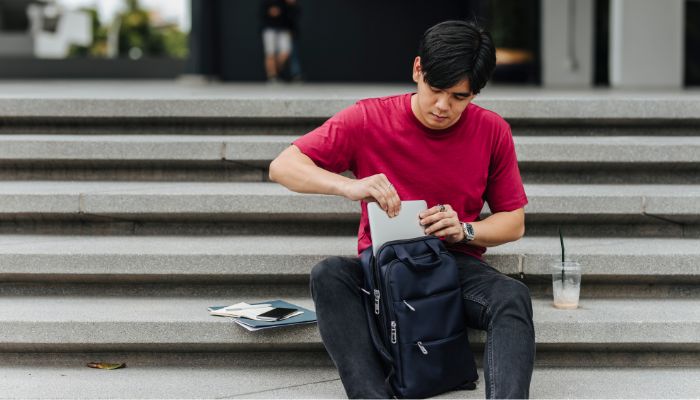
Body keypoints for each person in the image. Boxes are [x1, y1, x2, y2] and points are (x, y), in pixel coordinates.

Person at [269, 20, 535, 399]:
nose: (443, 106)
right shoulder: (367, 118)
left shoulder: (492, 131)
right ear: (417, 70)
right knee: (328, 275)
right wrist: (350, 186)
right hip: (383, 269)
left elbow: (514, 222)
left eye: (459, 97)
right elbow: (283, 166)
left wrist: (465, 229)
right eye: (436, 89)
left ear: (475, 93)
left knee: (512, 296)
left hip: (449, 265)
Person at [261, 0, 293, 81]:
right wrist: (272, 11)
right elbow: (262, 13)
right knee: (270, 53)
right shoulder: (267, 2)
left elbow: (292, 15)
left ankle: (277, 72)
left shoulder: (285, 2)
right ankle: (272, 76)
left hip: (283, 29)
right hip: (270, 29)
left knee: (285, 52)